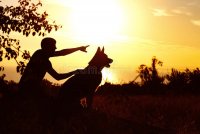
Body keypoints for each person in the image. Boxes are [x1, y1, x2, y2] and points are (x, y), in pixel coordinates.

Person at [18, 37, 89, 98]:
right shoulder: (44, 61)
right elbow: (58, 77)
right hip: (29, 90)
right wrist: (75, 72)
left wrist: (79, 48)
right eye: (53, 46)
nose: (55, 48)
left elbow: (62, 53)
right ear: (47, 47)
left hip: (28, 88)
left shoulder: (38, 53)